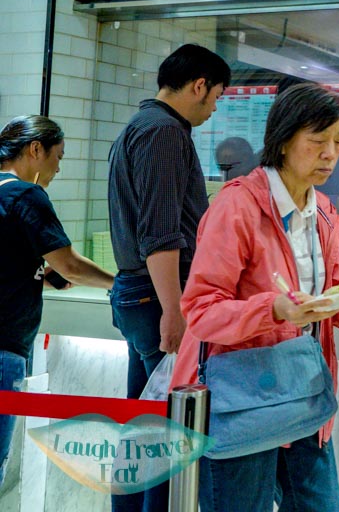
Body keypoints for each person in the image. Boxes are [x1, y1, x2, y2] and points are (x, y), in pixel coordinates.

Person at [170, 82, 339, 512]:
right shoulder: (239, 207)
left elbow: (335, 290)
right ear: (284, 139)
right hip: (244, 399)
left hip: (303, 396)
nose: (331, 153)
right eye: (318, 140)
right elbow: (201, 310)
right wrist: (272, 308)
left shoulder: (323, 210)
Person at [107, 43, 230, 512]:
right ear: (199, 85)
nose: (215, 106)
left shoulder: (140, 126)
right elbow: (159, 235)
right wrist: (175, 311)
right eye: (216, 96)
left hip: (140, 293)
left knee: (143, 426)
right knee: (161, 434)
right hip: (156, 296)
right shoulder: (163, 132)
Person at [0, 116, 115, 484]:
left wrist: (39, 275)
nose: (59, 167)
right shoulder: (25, 194)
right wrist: (120, 283)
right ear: (36, 149)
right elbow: (70, 264)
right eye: (58, 156)